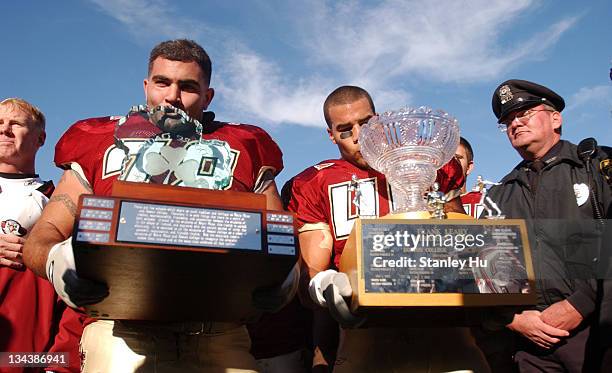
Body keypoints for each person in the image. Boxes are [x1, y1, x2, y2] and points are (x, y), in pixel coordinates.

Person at [23, 39, 285, 372]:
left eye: (188, 86)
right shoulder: (100, 139)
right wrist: (56, 262)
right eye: (163, 83)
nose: (173, 96)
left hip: (220, 333)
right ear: (147, 86)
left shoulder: (245, 144)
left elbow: (280, 237)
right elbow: (44, 233)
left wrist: (285, 279)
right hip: (121, 330)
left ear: (208, 95)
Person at [285, 85, 488, 372]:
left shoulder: (430, 164)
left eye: (366, 123)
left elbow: (464, 241)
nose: (358, 136)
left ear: (378, 119)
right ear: (331, 135)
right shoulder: (315, 182)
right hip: (366, 335)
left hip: (445, 328)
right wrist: (326, 287)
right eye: (345, 130)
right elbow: (311, 275)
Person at [485, 79, 612, 372]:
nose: (515, 123)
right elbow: (486, 273)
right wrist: (513, 318)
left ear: (556, 118)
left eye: (525, 113)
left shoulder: (596, 167)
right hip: (531, 345)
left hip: (595, 332)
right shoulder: (499, 194)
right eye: (507, 120)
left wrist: (580, 304)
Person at [0, 98, 83, 373]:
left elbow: (76, 292)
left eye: (16, 124)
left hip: (23, 360)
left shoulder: (58, 203)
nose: (5, 130)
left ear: (40, 138)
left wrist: (58, 365)